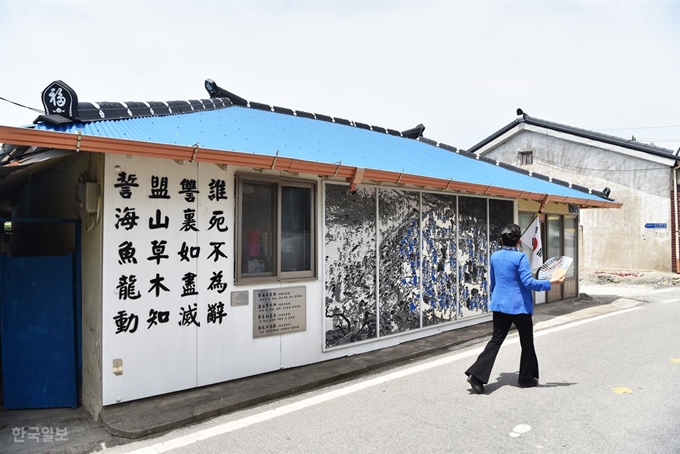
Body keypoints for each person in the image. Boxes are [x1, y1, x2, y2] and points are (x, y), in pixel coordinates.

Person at [465, 223, 564, 394]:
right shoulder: (520, 258)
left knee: (496, 340)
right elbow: (528, 283)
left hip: (499, 305)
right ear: (518, 241)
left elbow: (494, 283)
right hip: (519, 308)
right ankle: (526, 378)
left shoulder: (494, 256)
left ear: (500, 240)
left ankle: (476, 375)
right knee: (526, 342)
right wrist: (551, 282)